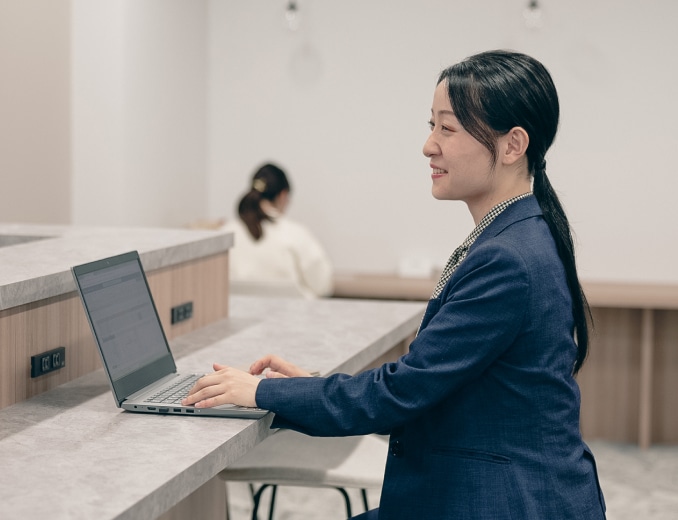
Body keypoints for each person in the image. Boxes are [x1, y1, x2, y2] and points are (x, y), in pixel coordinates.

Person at [184, 50, 607, 519]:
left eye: (447, 128)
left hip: (502, 501)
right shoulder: (519, 234)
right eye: (432, 126)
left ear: (512, 145)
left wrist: (262, 392)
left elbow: (399, 394)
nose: (429, 146)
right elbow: (425, 391)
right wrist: (307, 388)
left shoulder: (507, 259)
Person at [221, 163, 334, 298]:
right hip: (292, 316)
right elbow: (322, 283)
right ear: (283, 195)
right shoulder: (294, 233)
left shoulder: (226, 232)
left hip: (238, 314)